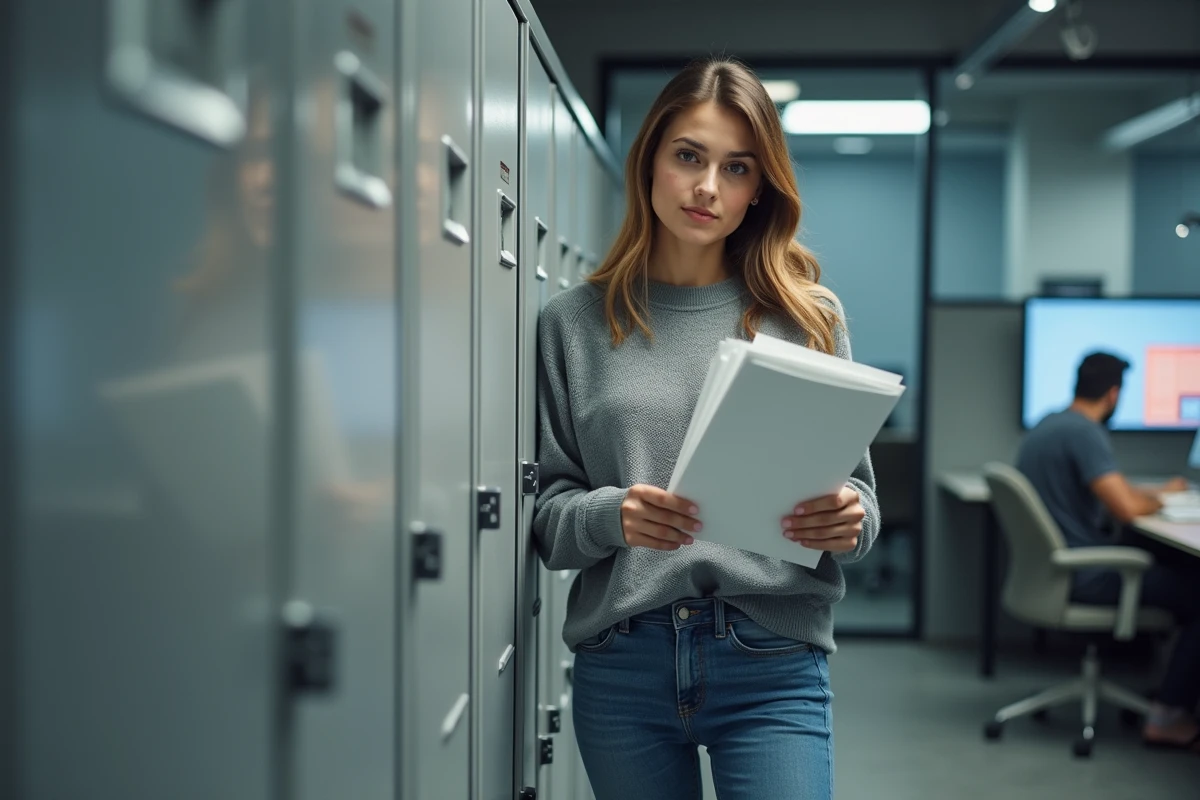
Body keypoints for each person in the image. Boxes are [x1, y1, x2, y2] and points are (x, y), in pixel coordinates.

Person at [532, 58, 880, 800]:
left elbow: (860, 499)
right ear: (650, 158)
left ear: (760, 189)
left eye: (737, 168)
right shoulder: (572, 325)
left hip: (770, 657)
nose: (707, 188)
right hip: (624, 658)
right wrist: (610, 515)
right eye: (689, 156)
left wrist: (849, 519)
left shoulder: (809, 317)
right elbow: (545, 518)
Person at [1017, 351, 1200, 754]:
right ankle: (1169, 713)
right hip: (1091, 575)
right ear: (1114, 394)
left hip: (1058, 572)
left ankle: (1174, 688)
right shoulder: (1084, 432)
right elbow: (1126, 508)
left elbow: (1117, 493)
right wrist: (1163, 501)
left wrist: (1156, 493)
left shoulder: (1050, 424)